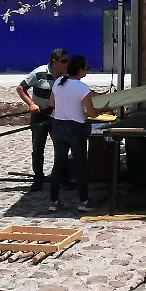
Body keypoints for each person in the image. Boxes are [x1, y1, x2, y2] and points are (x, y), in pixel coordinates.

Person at [48, 55, 114, 211]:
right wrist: (106, 108)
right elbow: (91, 112)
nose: (87, 70)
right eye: (86, 68)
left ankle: (53, 202)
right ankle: (83, 202)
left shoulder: (58, 82)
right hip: (75, 129)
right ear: (80, 70)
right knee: (80, 166)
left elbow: (52, 104)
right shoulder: (81, 87)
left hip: (58, 126)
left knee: (58, 165)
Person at [16, 49, 68, 193]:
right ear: (54, 62)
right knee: (38, 148)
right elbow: (20, 88)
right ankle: (38, 179)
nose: (66, 64)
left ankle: (62, 178)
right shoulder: (39, 73)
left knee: (61, 147)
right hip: (40, 114)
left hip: (57, 115)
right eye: (64, 61)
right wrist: (31, 104)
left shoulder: (66, 76)